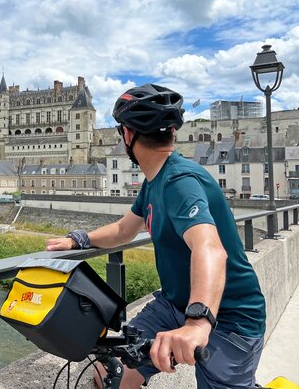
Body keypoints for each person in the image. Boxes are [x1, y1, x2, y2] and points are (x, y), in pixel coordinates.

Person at [46, 84, 266, 389]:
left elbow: (210, 249)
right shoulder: (154, 181)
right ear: (172, 133)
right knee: (110, 372)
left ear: (127, 135)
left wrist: (198, 323)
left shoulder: (179, 181)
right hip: (174, 305)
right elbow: (124, 230)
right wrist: (79, 239)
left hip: (229, 317)